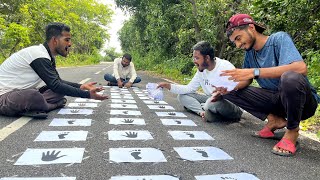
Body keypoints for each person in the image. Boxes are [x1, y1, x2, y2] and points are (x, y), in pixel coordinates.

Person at [217, 13, 320, 156]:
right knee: (230, 91)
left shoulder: (279, 39)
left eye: (238, 38)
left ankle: (292, 131)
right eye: (235, 42)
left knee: (290, 77)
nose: (238, 45)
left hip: (303, 103)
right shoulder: (250, 54)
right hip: (277, 101)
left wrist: (255, 72)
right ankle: (274, 120)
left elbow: (300, 68)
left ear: (251, 28)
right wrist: (228, 87)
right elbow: (247, 79)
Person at [0, 22, 108, 119]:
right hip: (4, 97)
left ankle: (37, 105)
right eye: (67, 40)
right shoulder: (38, 54)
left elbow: (58, 82)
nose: (70, 44)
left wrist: (81, 86)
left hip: (19, 93)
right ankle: (50, 106)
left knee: (59, 91)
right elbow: (55, 84)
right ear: (55, 40)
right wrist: (88, 95)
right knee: (33, 95)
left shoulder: (48, 55)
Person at [157, 41, 245, 122]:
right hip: (211, 99)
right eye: (194, 58)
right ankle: (202, 112)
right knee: (182, 97)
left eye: (196, 58)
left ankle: (212, 113)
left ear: (207, 58)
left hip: (230, 104)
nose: (194, 61)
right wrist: (167, 85)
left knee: (211, 105)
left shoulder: (225, 67)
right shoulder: (201, 70)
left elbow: (238, 88)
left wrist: (221, 94)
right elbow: (189, 88)